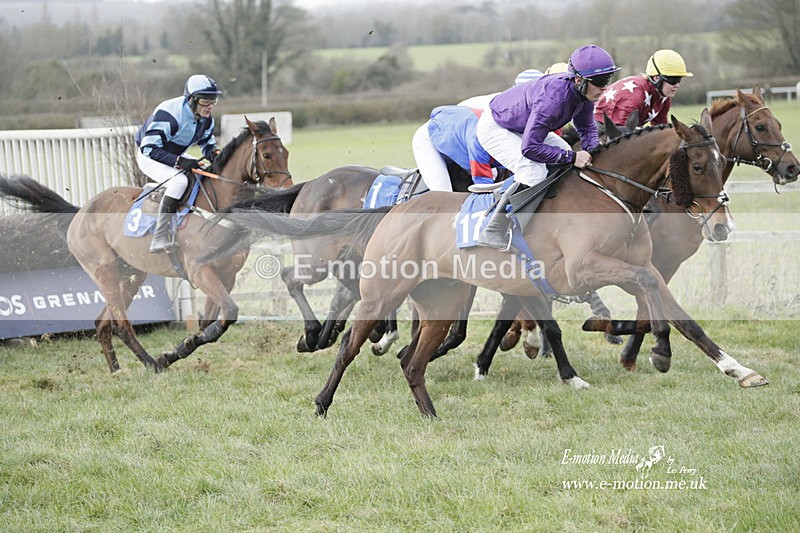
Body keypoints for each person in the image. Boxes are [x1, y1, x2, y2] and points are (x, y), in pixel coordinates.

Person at [475, 45, 620, 250]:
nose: (604, 87)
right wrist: (572, 157)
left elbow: (587, 128)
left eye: (608, 80)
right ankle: (494, 229)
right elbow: (530, 149)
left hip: (523, 124)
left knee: (562, 155)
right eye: (599, 82)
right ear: (578, 79)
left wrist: (594, 153)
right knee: (533, 170)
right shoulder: (554, 100)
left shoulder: (585, 95)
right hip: (496, 126)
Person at [412, 64, 568, 193]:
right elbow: (482, 183)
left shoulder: (526, 111)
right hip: (435, 138)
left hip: (465, 133)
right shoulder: (498, 114)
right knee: (443, 194)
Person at [135, 74, 223, 253]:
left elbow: (207, 144)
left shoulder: (206, 119)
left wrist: (215, 155)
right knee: (179, 182)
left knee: (203, 170)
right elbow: (149, 149)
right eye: (206, 101)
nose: (210, 106)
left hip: (174, 153)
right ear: (192, 100)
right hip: (148, 156)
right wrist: (178, 162)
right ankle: (159, 237)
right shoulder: (169, 114)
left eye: (213, 101)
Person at [594, 49, 693, 128]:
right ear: (656, 78)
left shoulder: (663, 97)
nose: (677, 85)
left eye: (679, 79)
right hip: (597, 124)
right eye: (673, 79)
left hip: (618, 127)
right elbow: (619, 134)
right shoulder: (635, 96)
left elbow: (660, 128)